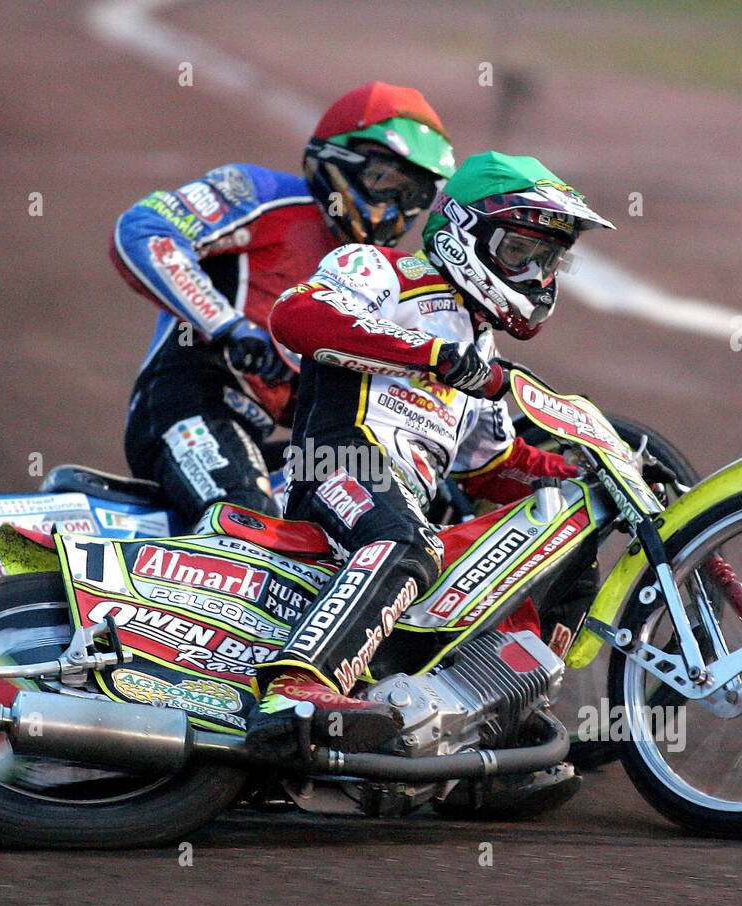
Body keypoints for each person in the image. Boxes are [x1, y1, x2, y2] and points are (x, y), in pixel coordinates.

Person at [247, 151, 616, 758]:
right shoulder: (381, 269)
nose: (535, 275)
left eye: (547, 261)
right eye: (520, 253)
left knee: (539, 548)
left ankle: (491, 727)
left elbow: (494, 465)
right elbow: (296, 316)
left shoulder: (482, 347)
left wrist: (588, 474)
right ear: (463, 233)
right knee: (410, 543)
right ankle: (296, 690)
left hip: (402, 504)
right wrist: (433, 355)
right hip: (337, 465)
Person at [111, 82, 455, 527]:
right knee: (247, 523)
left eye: (414, 196)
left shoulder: (383, 272)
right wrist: (227, 327)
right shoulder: (260, 193)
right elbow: (144, 230)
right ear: (336, 160)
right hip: (187, 404)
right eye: (384, 182)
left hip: (263, 437)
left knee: (370, 503)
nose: (394, 209)